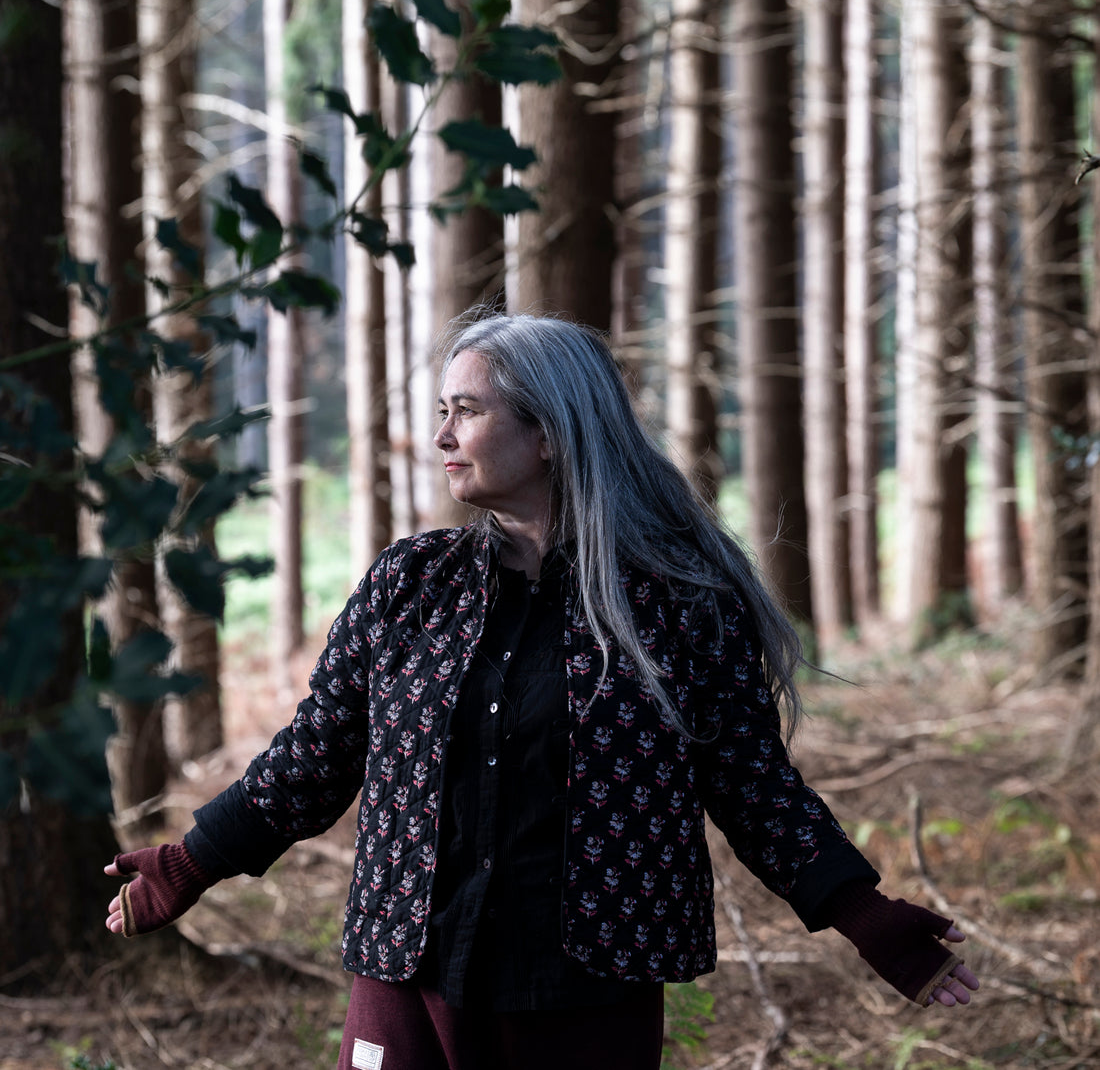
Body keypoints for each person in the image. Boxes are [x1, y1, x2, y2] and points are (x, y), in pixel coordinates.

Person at [105, 313, 979, 1070]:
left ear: (551, 432)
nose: (442, 434)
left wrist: (864, 914)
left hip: (585, 990)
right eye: (441, 411)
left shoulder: (676, 604)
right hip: (408, 976)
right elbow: (317, 754)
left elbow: (752, 785)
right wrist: (191, 863)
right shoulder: (411, 585)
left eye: (468, 411)